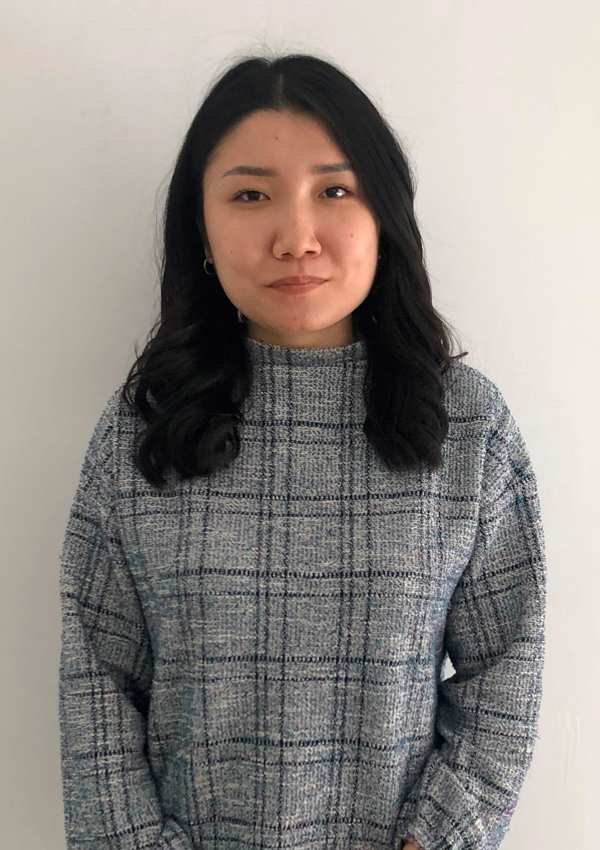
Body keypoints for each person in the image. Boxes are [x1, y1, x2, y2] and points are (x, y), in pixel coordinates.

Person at [58, 51, 546, 850]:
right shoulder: (145, 425)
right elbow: (95, 688)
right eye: (251, 195)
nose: (296, 239)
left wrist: (436, 839)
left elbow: (506, 673)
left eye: (335, 191)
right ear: (201, 229)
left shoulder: (466, 425)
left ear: (384, 216)